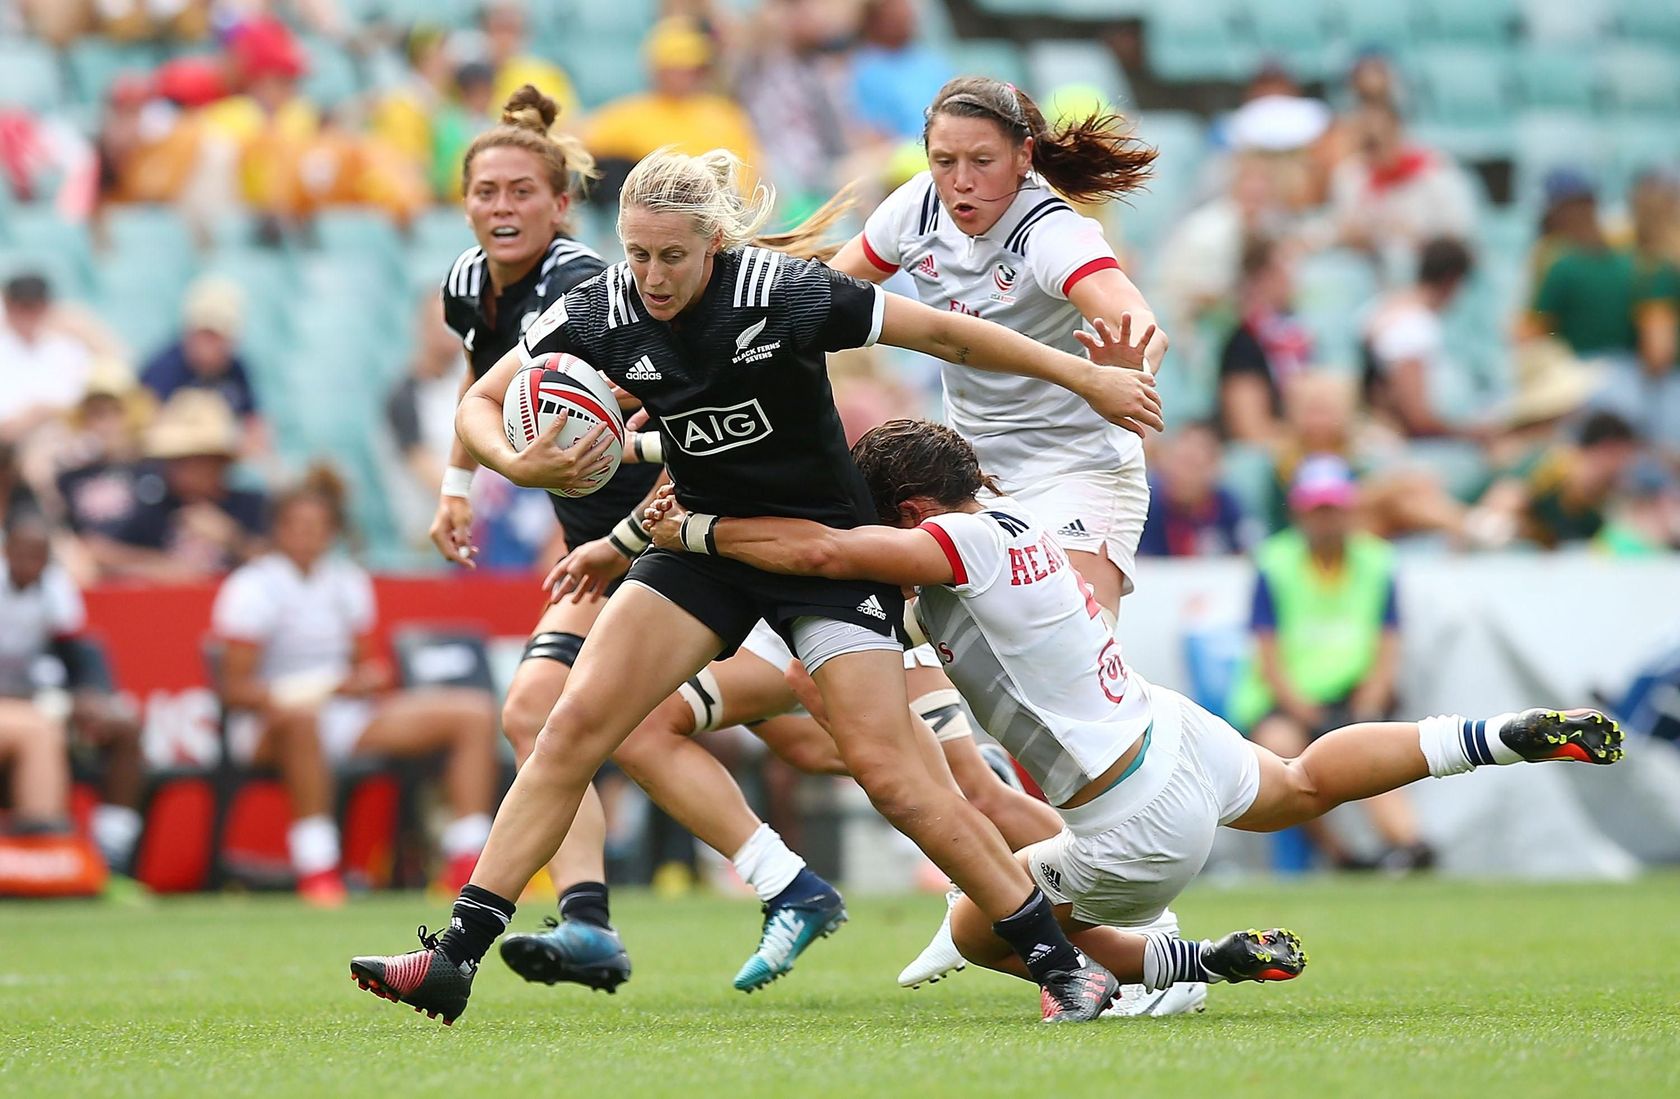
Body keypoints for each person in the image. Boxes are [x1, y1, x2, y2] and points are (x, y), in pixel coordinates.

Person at [348, 143, 1164, 1027]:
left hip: (823, 549)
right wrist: (514, 459)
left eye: (672, 255)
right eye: (638, 253)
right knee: (569, 728)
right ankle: (454, 959)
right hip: (704, 546)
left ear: (714, 245)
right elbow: (482, 398)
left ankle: (1059, 961)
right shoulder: (603, 308)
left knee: (895, 775)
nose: (652, 277)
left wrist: (1085, 375)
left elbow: (946, 332)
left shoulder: (785, 292)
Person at [642, 418, 1620, 995]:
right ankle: (1500, 735)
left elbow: (822, 554)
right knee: (1302, 781)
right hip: (1166, 728)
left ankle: (1197, 961)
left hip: (1132, 811)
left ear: (908, 512)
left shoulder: (957, 542)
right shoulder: (1016, 521)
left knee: (986, 922)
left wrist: (690, 526)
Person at [820, 75, 1203, 1010]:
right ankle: (1016, 906)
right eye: (944, 160)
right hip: (974, 478)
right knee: (979, 711)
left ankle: (1138, 952)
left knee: (1062, 700)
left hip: (1081, 478)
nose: (959, 180)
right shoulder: (916, 208)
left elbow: (1127, 310)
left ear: (1025, 158)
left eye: (981, 162)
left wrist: (1127, 353)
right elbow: (828, 292)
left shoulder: (1052, 231)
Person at [426, 85, 664, 990]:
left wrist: (607, 429)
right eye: (486, 191)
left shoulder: (581, 285)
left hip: (676, 532)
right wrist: (459, 484)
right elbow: (479, 384)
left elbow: (655, 388)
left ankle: (787, 877)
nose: (501, 207)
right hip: (595, 547)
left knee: (815, 735)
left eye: (522, 191)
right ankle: (589, 924)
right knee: (535, 713)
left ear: (561, 204)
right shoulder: (464, 282)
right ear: (465, 202)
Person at [210, 468, 499, 906]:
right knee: (302, 720)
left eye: (317, 527)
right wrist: (315, 691)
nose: (307, 536)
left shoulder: (346, 581)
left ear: (332, 533)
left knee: (474, 712)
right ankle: (318, 869)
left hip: (344, 720)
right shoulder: (252, 587)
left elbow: (366, 669)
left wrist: (366, 680)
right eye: (297, 526)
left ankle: (466, 863)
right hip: (268, 726)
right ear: (278, 530)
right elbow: (234, 690)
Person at [1226, 456, 1432, 871]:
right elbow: (1268, 656)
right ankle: (1342, 855)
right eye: (1318, 510)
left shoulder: (1376, 561)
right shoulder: (1274, 563)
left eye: (1333, 509)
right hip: (1286, 702)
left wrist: (1367, 704)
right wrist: (1308, 712)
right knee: (1283, 752)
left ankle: (1411, 846)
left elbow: (1388, 643)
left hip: (1351, 696)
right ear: (1301, 512)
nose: (1326, 520)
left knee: (1369, 750)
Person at [0, 509, 145, 874]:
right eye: (22, 553)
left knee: (124, 724)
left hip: (38, 700)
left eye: (39, 555)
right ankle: (40, 844)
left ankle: (112, 856)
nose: (30, 564)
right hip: (17, 707)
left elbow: (80, 653)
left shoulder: (56, 587)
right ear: (7, 551)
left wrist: (92, 695)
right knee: (36, 727)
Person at [89, 390, 266, 582]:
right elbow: (98, 551)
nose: (176, 469)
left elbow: (282, 561)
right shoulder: (155, 507)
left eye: (192, 460)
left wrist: (232, 538)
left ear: (218, 462)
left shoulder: (250, 505)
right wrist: (161, 565)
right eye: (174, 460)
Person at [583, 18, 762, 200]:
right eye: (675, 67)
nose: (684, 75)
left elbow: (748, 177)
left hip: (717, 210)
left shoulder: (725, 115)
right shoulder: (629, 115)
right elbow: (583, 146)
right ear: (657, 70)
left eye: (690, 67)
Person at [1361, 237, 1475, 439]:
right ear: (1452, 280)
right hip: (1399, 439)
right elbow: (1416, 417)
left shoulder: (1384, 305)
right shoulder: (1415, 327)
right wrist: (1470, 435)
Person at [1217, 235, 1314, 444]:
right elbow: (1250, 428)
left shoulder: (1300, 334)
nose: (1292, 277)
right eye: (1284, 268)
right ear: (1260, 278)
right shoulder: (1243, 342)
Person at [1137, 422, 1259, 558]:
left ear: (1215, 469)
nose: (1181, 474)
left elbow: (1250, 554)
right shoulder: (1145, 506)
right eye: (1176, 462)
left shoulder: (1228, 505)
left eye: (1192, 465)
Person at [0, 274, 93, 444]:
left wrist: (43, 413)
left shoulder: (68, 349)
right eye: (22, 307)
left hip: (64, 438)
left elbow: (81, 404)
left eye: (35, 306)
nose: (29, 315)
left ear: (47, 306)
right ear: (8, 306)